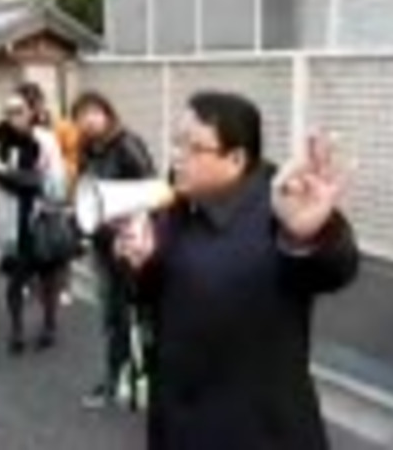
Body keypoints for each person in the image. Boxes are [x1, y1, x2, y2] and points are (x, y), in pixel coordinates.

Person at [116, 92, 360, 450]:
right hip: (176, 421)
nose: (177, 156)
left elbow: (336, 268)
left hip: (259, 430)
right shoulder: (176, 206)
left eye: (192, 147)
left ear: (236, 158)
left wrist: (306, 235)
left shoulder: (281, 206)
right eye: (176, 143)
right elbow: (158, 294)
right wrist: (142, 264)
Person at [72, 91, 156, 409]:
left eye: (94, 112)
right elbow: (86, 194)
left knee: (138, 315)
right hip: (103, 245)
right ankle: (117, 378)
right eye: (82, 115)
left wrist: (132, 230)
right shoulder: (87, 148)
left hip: (130, 246)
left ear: (108, 114)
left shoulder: (127, 145)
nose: (88, 119)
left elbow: (150, 191)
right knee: (112, 317)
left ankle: (139, 378)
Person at [0, 92, 69, 354]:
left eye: (19, 110)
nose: (14, 116)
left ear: (31, 112)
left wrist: (32, 181)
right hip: (14, 220)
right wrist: (7, 178)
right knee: (15, 279)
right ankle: (17, 331)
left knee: (48, 278)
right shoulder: (0, 141)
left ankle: (49, 325)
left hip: (40, 217)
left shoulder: (45, 140)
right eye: (9, 111)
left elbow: (57, 183)